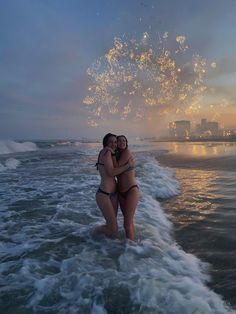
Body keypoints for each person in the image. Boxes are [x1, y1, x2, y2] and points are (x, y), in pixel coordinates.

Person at [95, 133, 134, 237]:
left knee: (112, 226)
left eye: (115, 142)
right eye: (110, 142)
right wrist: (128, 166)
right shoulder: (106, 152)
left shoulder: (111, 153)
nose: (114, 144)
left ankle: (106, 245)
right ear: (106, 143)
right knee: (113, 229)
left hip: (114, 194)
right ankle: (93, 232)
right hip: (104, 194)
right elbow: (111, 172)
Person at [115, 135, 140, 241]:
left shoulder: (127, 152)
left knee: (126, 223)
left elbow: (115, 168)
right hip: (121, 192)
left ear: (127, 142)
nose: (122, 142)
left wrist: (109, 153)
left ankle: (131, 247)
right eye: (119, 141)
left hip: (131, 190)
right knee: (128, 221)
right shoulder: (116, 155)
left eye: (124, 140)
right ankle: (132, 243)